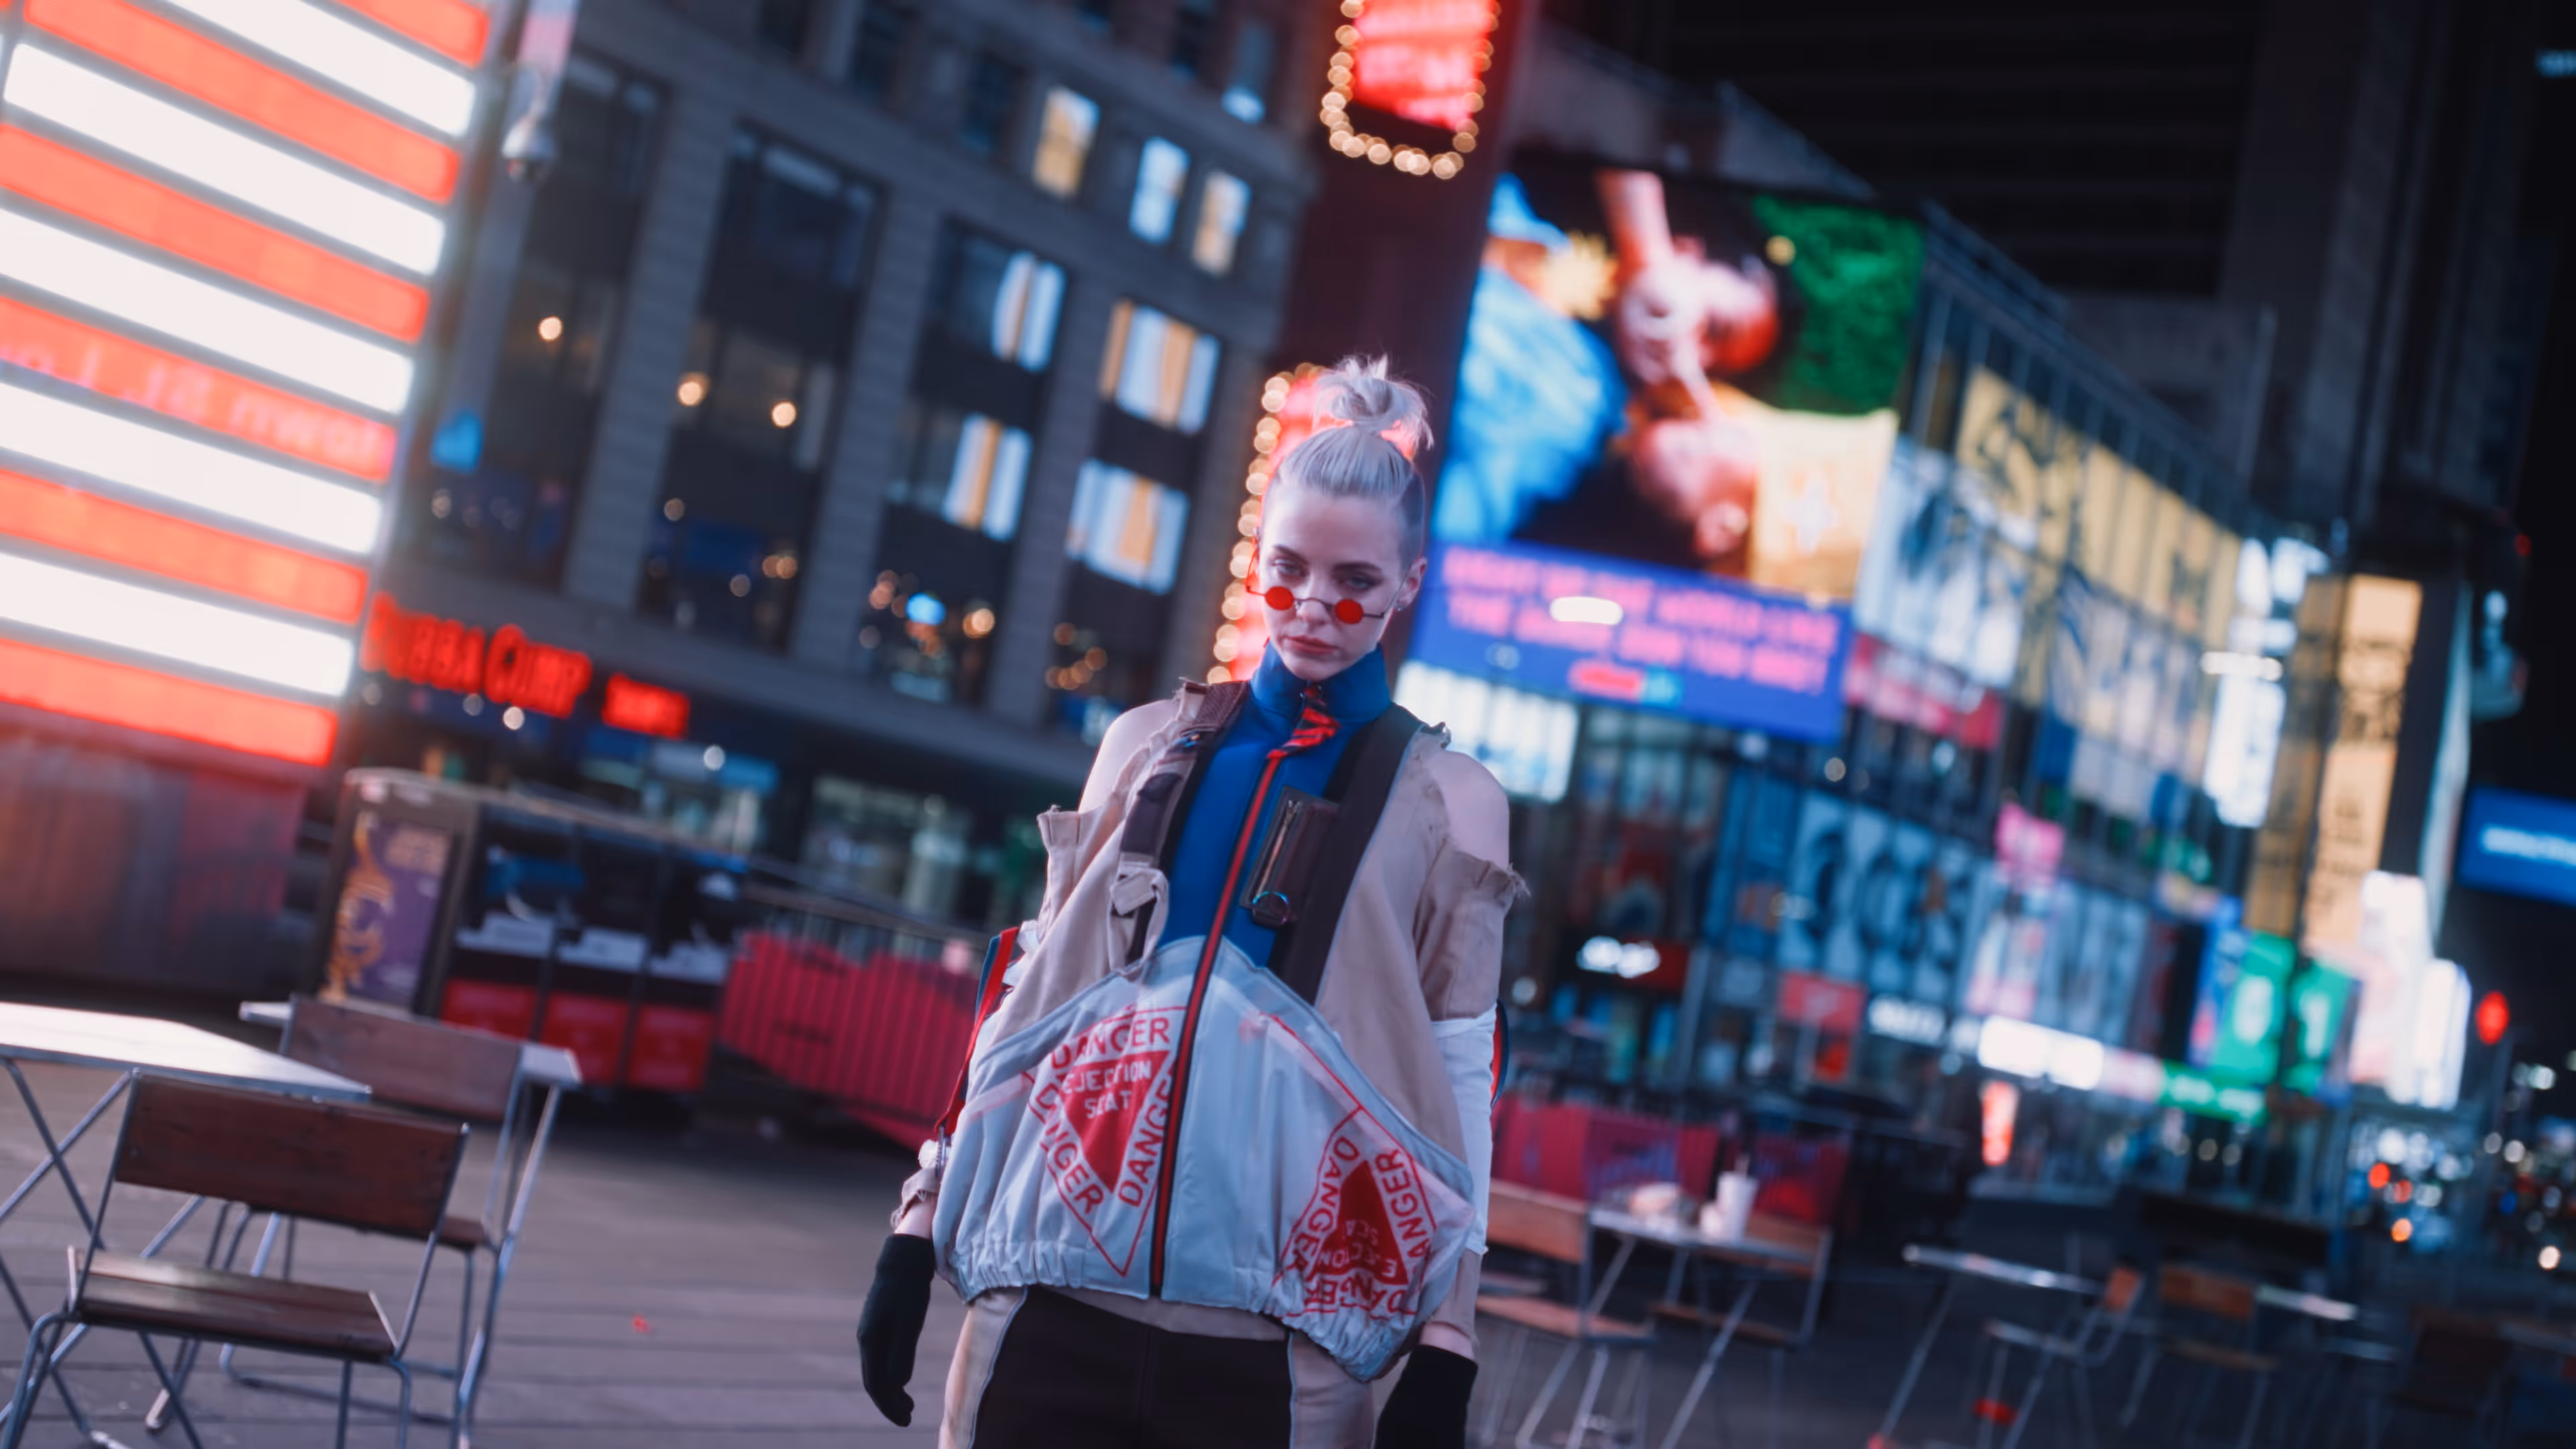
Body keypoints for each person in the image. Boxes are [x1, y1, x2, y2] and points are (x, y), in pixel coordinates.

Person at [855, 358, 1521, 1448]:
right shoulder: (1143, 747)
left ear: (1410, 581)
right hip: (1048, 1308)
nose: (1314, 607)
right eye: (1288, 570)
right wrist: (917, 1222)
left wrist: (1448, 1341)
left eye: (1354, 580)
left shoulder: (1452, 804)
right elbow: (1026, 998)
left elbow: (1462, 1077)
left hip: (1286, 1359)